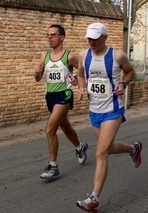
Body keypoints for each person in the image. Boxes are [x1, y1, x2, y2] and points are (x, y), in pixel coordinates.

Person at [76, 22, 142, 212]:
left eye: (96, 38)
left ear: (104, 37)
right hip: (94, 109)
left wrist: (123, 83)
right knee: (108, 148)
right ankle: (133, 149)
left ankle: (94, 198)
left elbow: (130, 72)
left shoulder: (117, 55)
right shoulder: (84, 54)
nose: (92, 42)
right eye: (89, 38)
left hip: (113, 109)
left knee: (100, 152)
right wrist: (81, 87)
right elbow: (80, 74)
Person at [34, 24, 88, 180]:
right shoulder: (44, 56)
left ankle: (53, 166)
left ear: (62, 37)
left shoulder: (69, 56)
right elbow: (37, 79)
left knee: (50, 129)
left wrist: (76, 79)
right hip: (50, 97)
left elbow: (82, 71)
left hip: (64, 95)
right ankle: (80, 147)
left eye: (53, 34)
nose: (50, 37)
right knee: (65, 127)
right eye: (48, 35)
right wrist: (36, 73)